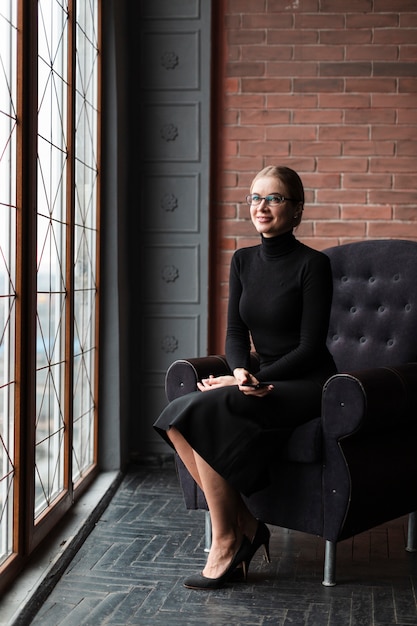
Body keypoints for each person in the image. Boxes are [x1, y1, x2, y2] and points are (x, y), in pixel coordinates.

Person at [153, 165, 337, 590]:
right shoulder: (242, 260)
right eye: (256, 197)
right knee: (177, 416)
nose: (262, 206)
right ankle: (247, 524)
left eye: (274, 198)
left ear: (297, 211)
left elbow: (310, 348)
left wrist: (245, 381)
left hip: (308, 383)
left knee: (215, 406)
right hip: (259, 375)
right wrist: (239, 371)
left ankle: (227, 541)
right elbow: (236, 333)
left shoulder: (314, 265)